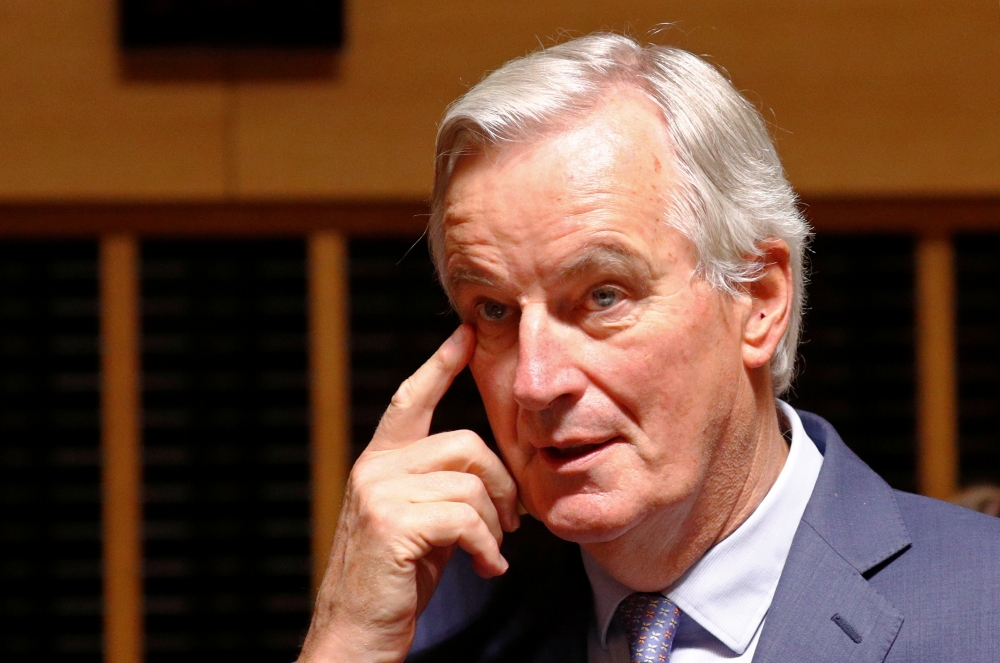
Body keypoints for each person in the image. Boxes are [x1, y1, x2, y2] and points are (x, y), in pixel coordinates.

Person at [298, 33, 1000, 663]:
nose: (536, 383)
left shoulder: (982, 608)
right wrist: (345, 640)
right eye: (495, 309)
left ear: (758, 298)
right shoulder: (426, 633)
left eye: (603, 295)